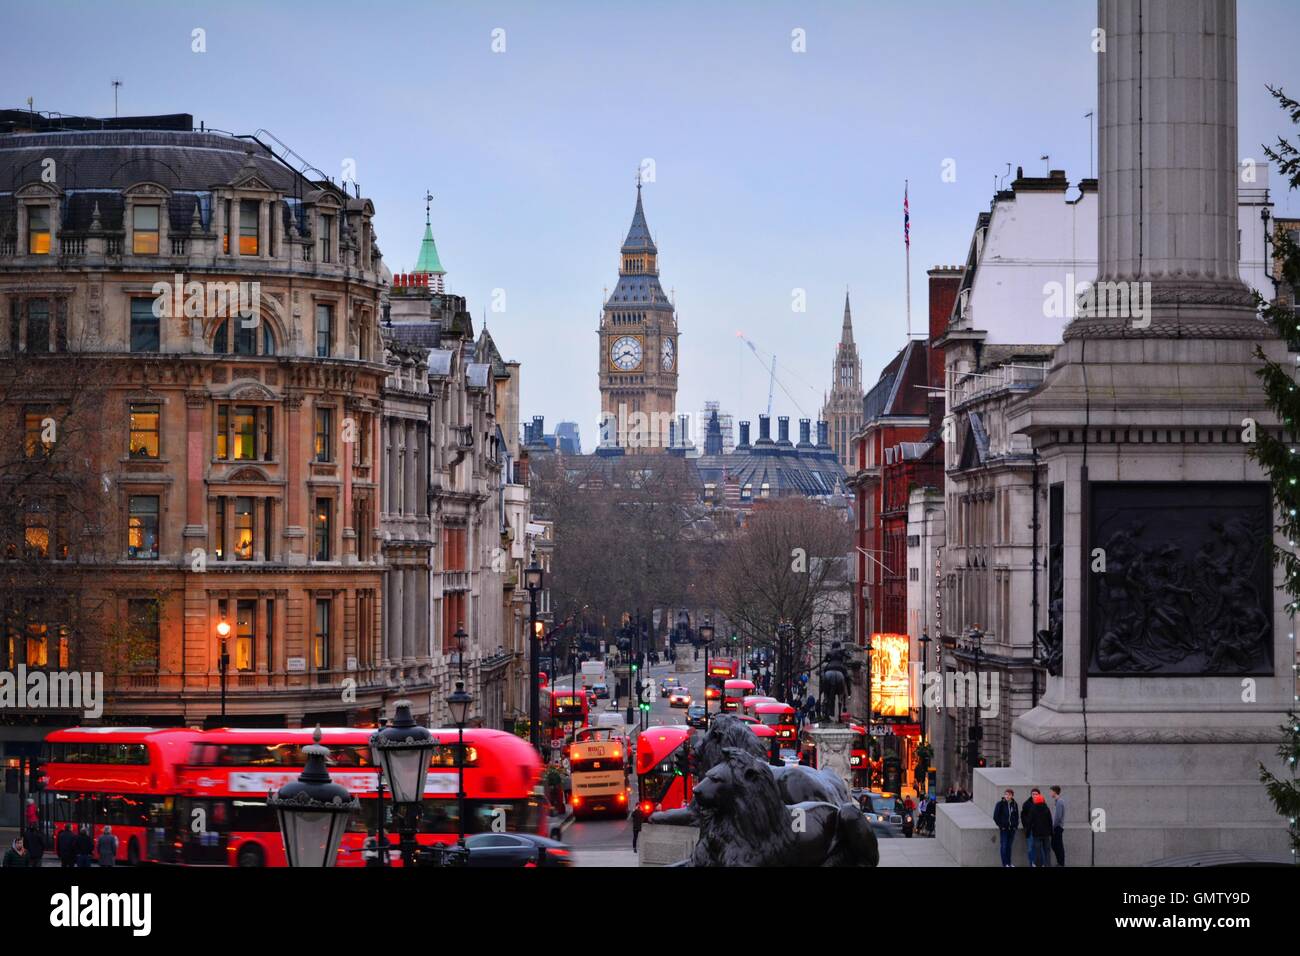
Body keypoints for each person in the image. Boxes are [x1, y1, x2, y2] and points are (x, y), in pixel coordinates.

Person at [993, 788, 1019, 867]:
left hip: (1012, 829)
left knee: (1009, 847)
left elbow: (1016, 816)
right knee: (1004, 846)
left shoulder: (1014, 804)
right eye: (1006, 794)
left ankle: (1009, 863)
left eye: (1009, 794)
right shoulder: (1000, 804)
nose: (1007, 796)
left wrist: (1015, 826)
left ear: (1012, 796)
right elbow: (995, 817)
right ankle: (1005, 864)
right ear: (1004, 795)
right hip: (1004, 829)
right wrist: (1001, 826)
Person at [1050, 785, 1067, 866]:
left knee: (1058, 846)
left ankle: (1061, 863)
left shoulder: (1060, 801)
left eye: (1051, 791)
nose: (1050, 793)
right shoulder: (1057, 801)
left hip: (1057, 827)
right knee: (1054, 845)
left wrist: (1053, 827)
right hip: (1056, 827)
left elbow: (1058, 817)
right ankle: (1059, 862)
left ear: (1054, 792)